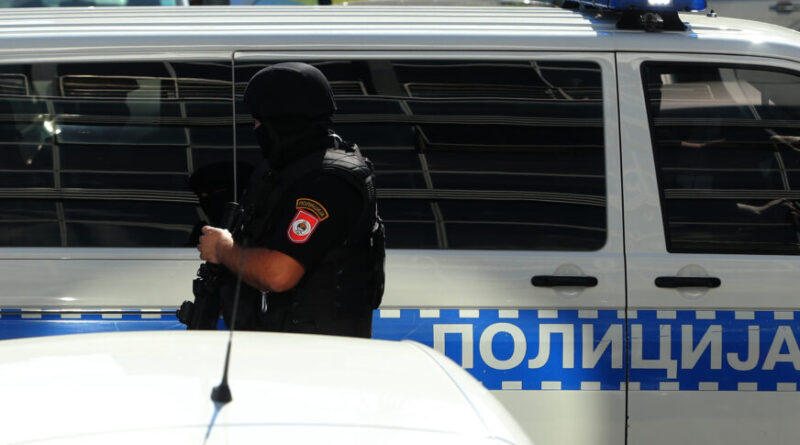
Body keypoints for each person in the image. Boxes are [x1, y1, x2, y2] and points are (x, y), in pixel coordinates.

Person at [197, 62, 385, 338]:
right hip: (292, 346)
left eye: (260, 120)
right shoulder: (292, 172)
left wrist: (223, 248)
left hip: (317, 353)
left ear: (283, 122)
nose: (256, 128)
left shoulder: (326, 183)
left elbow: (279, 274)